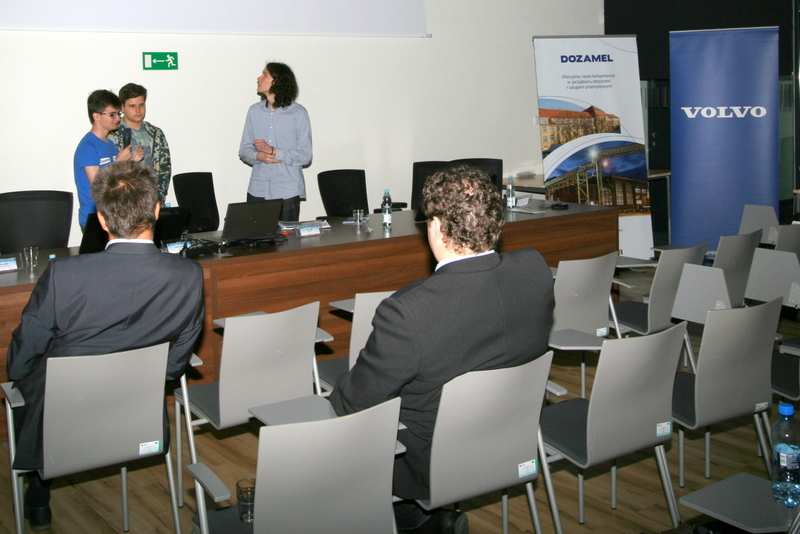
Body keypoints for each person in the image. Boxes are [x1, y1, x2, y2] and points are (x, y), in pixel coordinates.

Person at [329, 165, 555, 534]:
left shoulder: (408, 311)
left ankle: (420, 522)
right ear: (496, 221)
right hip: (512, 436)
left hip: (427, 462)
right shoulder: (535, 268)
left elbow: (354, 402)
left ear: (436, 227)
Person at [6, 160, 205, 531]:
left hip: (62, 415)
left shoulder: (65, 273)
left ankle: (39, 489)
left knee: (27, 383)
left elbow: (24, 352)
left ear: (100, 218)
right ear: (156, 211)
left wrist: (19, 375)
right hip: (138, 414)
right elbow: (175, 363)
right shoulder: (189, 275)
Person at [238, 61, 312, 222]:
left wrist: (274, 151)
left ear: (277, 81)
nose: (259, 78)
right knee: (255, 237)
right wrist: (258, 156)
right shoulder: (254, 111)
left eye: (264, 75)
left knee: (287, 238)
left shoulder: (298, 113)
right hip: (257, 189)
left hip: (287, 191)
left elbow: (305, 156)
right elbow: (244, 150)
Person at [73, 89, 143, 230]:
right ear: (96, 116)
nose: (117, 118)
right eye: (112, 115)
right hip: (95, 219)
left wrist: (130, 162)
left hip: (113, 217)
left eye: (118, 114)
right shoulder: (88, 146)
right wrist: (119, 162)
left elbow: (117, 178)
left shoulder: (109, 143)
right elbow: (98, 185)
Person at [109, 83, 172, 204]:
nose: (138, 110)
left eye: (141, 105)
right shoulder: (113, 135)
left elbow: (165, 170)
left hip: (152, 202)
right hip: (123, 203)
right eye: (132, 106)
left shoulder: (155, 133)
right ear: (122, 107)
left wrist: (159, 199)